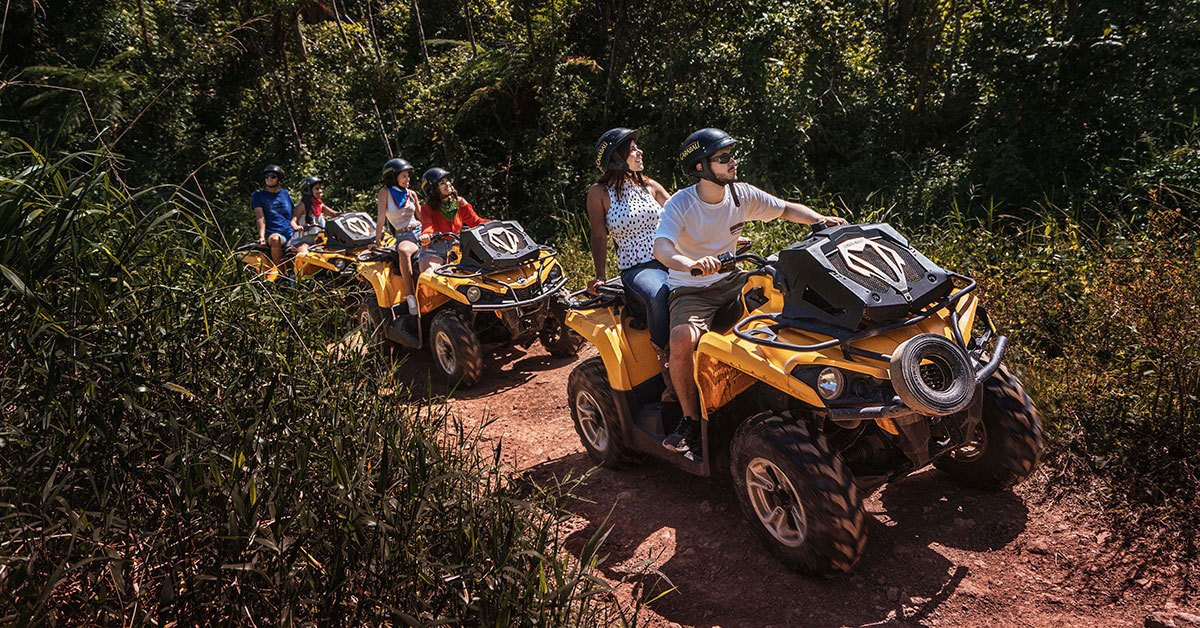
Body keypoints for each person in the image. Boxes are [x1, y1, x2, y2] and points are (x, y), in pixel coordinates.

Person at [653, 128, 848, 460]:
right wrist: (691, 263)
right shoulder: (682, 203)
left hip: (734, 280)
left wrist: (819, 220)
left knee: (788, 300)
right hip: (693, 288)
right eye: (724, 158)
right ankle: (688, 421)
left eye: (732, 155)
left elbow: (786, 209)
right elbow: (662, 246)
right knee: (682, 338)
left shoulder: (741, 195)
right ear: (700, 166)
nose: (733, 162)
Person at [585, 127, 675, 401]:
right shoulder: (599, 193)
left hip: (671, 257)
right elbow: (599, 236)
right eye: (633, 149)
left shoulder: (650, 185)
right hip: (639, 267)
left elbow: (680, 214)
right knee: (659, 294)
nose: (640, 152)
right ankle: (669, 369)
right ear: (617, 158)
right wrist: (599, 275)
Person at [417, 167, 487, 272]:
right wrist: (425, 236)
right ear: (433, 190)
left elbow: (476, 222)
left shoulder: (459, 202)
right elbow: (428, 226)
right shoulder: (427, 208)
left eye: (447, 180)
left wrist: (493, 224)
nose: (448, 184)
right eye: (442, 183)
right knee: (431, 277)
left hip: (457, 249)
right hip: (434, 250)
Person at [375, 157, 422, 313]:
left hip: (420, 231)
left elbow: (422, 217)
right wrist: (377, 240)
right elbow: (381, 217)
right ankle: (410, 297)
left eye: (408, 175)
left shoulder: (412, 194)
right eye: (404, 175)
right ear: (393, 177)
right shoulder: (385, 193)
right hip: (404, 236)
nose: (407, 179)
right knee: (403, 251)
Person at [252, 164, 295, 267]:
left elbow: (294, 212)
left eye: (272, 176)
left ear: (279, 179)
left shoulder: (285, 193)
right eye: (266, 176)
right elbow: (260, 217)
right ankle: (280, 275)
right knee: (276, 239)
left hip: (290, 232)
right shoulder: (258, 195)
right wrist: (262, 237)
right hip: (273, 233)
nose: (269, 179)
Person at [289, 176, 340, 254]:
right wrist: (296, 227)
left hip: (318, 240)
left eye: (320, 188)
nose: (320, 191)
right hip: (301, 241)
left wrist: (348, 214)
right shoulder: (302, 206)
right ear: (308, 190)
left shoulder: (320, 204)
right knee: (305, 254)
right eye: (317, 189)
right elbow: (293, 221)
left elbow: (334, 214)